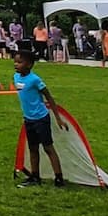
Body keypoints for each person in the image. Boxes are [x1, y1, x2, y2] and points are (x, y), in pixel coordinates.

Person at [13, 51, 65, 188]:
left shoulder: (35, 80)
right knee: (33, 148)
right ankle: (35, 177)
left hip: (41, 118)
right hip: (28, 119)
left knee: (48, 148)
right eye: (15, 62)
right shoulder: (16, 77)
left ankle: (59, 177)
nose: (16, 64)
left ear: (29, 65)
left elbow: (48, 97)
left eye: (19, 62)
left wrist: (58, 119)